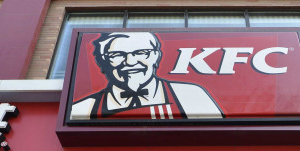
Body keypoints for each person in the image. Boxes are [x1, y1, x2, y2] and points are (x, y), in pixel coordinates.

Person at [70, 32, 224, 120]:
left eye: (141, 53)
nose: (130, 62)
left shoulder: (190, 96)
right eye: (117, 55)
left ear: (156, 56)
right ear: (103, 60)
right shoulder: (82, 109)